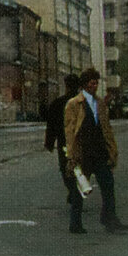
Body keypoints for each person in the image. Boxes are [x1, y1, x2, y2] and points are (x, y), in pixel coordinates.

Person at [63, 67, 128, 234]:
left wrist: (112, 149)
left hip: (100, 152)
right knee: (80, 188)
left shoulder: (100, 103)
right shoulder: (74, 104)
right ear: (85, 84)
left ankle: (110, 219)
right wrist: (71, 155)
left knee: (108, 185)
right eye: (92, 83)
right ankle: (75, 223)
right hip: (83, 153)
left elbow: (106, 128)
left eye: (96, 83)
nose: (95, 86)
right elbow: (70, 131)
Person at [44, 74, 83, 233]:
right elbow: (52, 123)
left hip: (67, 144)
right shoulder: (65, 103)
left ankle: (74, 194)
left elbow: (51, 125)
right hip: (70, 143)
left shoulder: (73, 102)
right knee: (74, 172)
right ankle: (75, 193)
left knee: (67, 171)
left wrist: (49, 143)